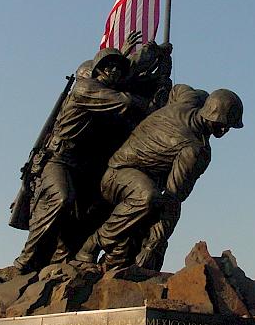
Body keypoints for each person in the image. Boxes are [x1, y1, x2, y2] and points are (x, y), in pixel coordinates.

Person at [75, 85, 244, 271]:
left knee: (128, 252)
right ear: (220, 123)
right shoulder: (195, 151)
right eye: (227, 125)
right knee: (147, 197)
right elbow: (172, 199)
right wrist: (152, 246)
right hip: (118, 177)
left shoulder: (188, 100)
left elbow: (178, 89)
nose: (227, 130)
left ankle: (114, 268)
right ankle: (92, 245)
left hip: (122, 178)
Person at [13, 46, 150, 273]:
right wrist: (150, 105)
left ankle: (63, 261)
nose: (114, 71)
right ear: (97, 70)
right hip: (58, 159)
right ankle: (25, 261)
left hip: (81, 166)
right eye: (109, 66)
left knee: (90, 212)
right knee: (60, 198)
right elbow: (124, 102)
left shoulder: (105, 98)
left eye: (118, 67)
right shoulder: (86, 89)